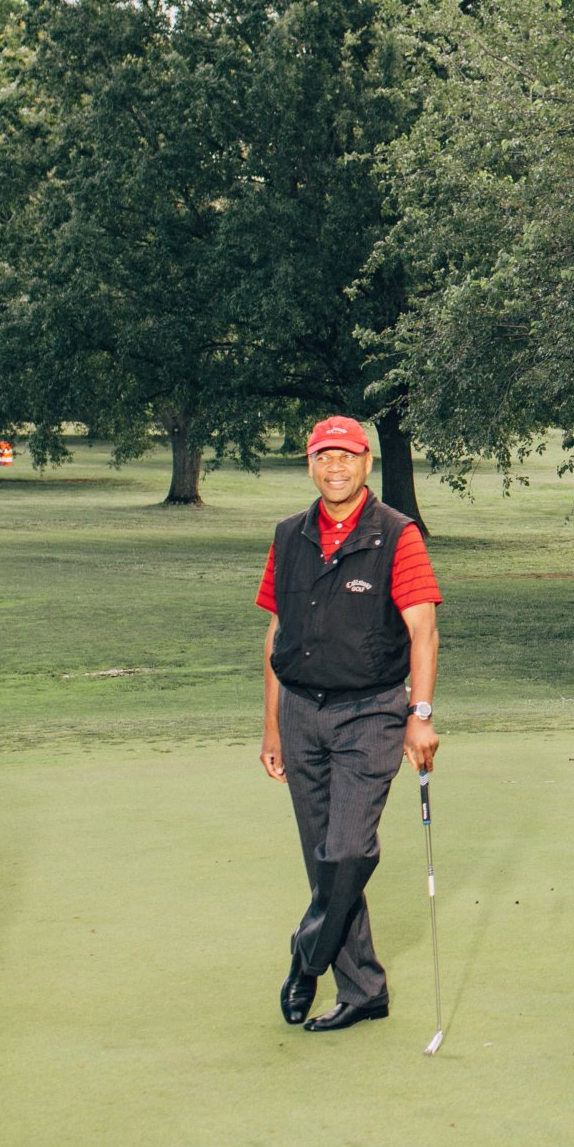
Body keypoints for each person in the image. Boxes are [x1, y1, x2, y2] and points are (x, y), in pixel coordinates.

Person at [257, 415, 441, 1034]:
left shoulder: (397, 534)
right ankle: (364, 989)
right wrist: (273, 726)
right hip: (301, 711)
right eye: (323, 457)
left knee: (349, 849)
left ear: (366, 463)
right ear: (310, 464)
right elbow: (275, 635)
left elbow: (423, 629)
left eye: (347, 457)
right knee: (322, 860)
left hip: (371, 712)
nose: (335, 468)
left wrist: (420, 715)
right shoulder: (288, 535)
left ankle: (307, 957)